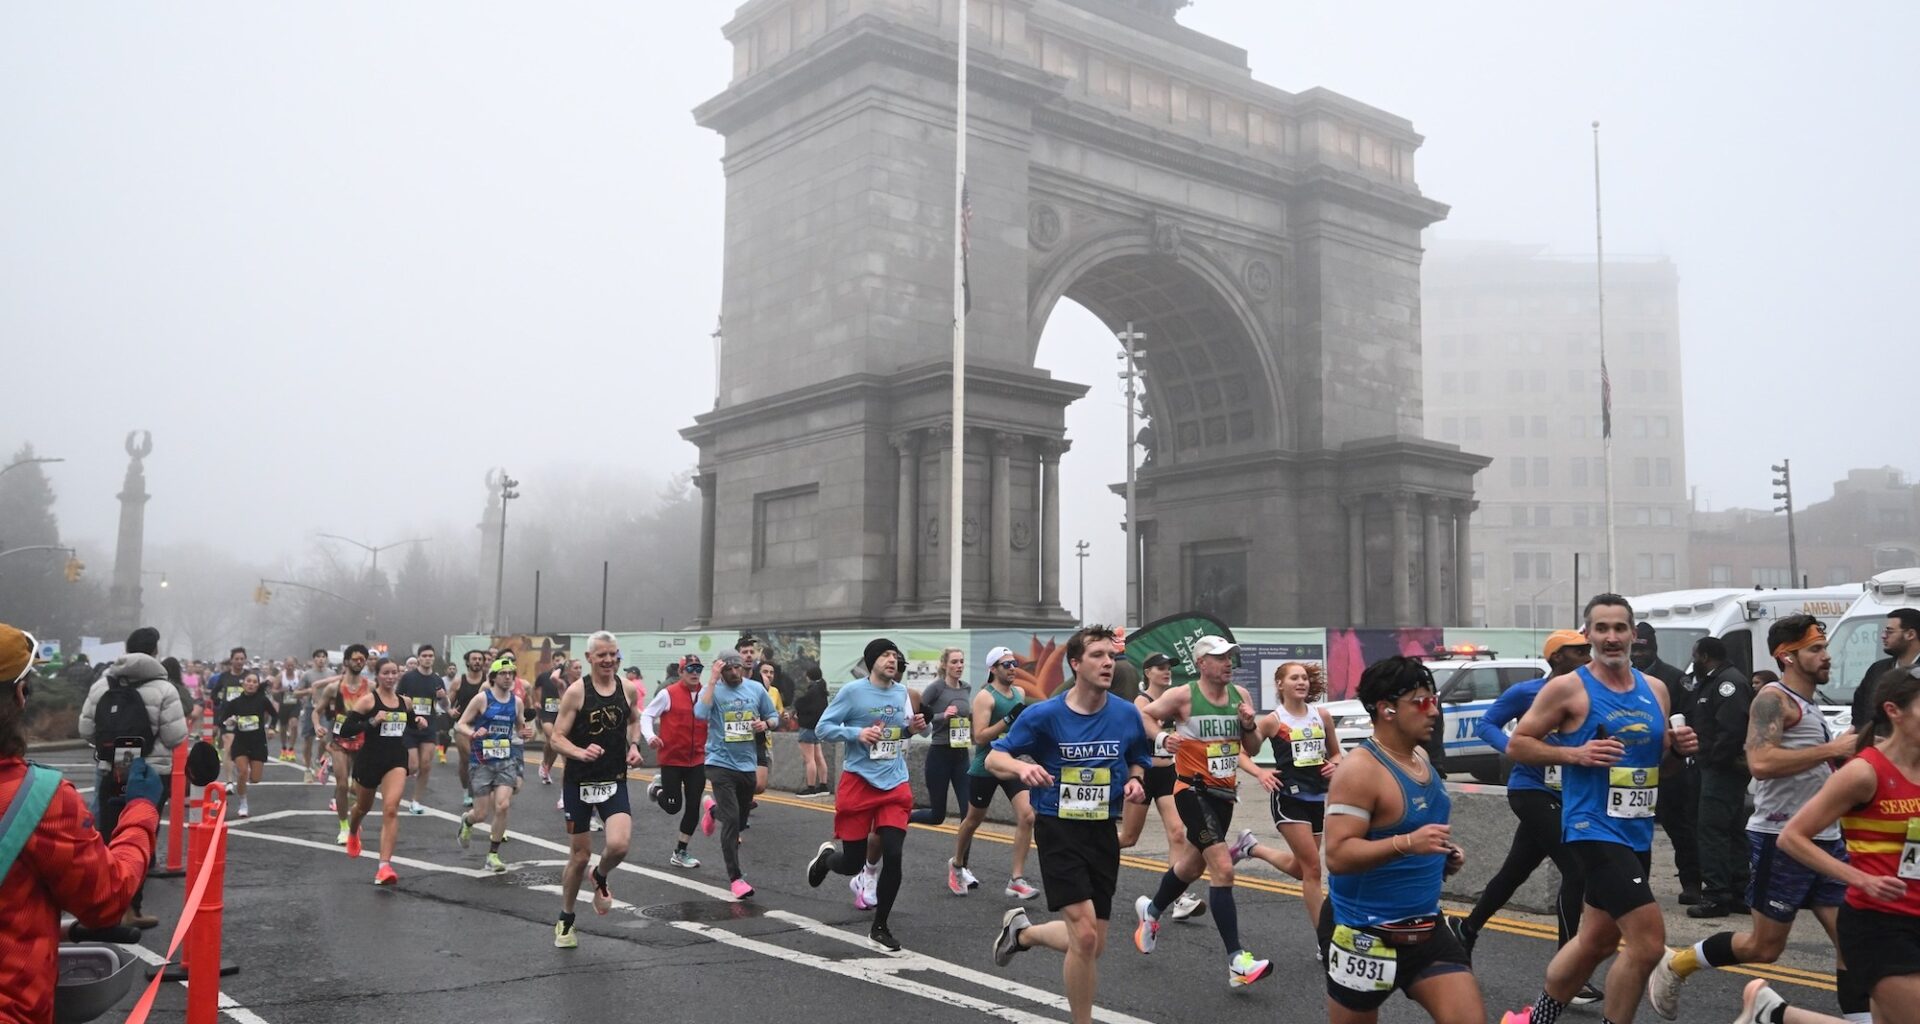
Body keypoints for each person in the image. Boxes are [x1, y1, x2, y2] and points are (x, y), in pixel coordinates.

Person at [1648, 616, 1863, 1021]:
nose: (1826, 655)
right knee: (1764, 948)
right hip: (1780, 839)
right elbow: (1760, 762)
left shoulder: (1808, 704)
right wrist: (1832, 751)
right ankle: (1677, 964)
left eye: (1823, 647)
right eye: (1815, 649)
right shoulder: (1772, 700)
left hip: (1826, 840)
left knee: (1853, 942)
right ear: (1787, 657)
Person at [1500, 594, 1700, 1024]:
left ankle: (1536, 1018)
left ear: (1633, 634)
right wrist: (1577, 754)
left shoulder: (1656, 690)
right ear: (1587, 634)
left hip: (1637, 829)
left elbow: (1659, 770)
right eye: (1602, 629)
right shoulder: (1569, 687)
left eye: (1620, 628)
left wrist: (1677, 752)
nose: (1612, 638)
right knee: (1647, 945)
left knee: (1596, 941)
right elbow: (1519, 744)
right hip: (1592, 827)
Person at [0, 622, 167, 1024]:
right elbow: (107, 898)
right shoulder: (39, 799)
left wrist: (60, 930)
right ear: (19, 696)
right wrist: (142, 810)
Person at [983, 625, 1150, 1024]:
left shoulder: (1126, 714)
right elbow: (994, 758)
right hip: (1058, 828)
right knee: (1086, 935)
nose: (1108, 662)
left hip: (1101, 830)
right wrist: (1024, 769)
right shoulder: (1045, 715)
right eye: (1097, 655)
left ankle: (1022, 933)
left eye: (1111, 656)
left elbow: (1138, 758)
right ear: (1075, 664)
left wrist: (1135, 780)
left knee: (1093, 944)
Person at [1322, 656, 1482, 1024]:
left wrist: (1443, 856)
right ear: (1387, 709)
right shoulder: (1360, 771)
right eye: (1422, 701)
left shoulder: (1421, 757)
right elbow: (1339, 855)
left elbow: (1418, 834)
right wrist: (1408, 844)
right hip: (1364, 933)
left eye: (1435, 700)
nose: (1434, 711)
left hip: (1426, 928)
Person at [1453, 630, 1593, 1002]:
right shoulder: (1527, 693)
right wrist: (1515, 750)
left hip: (1571, 794)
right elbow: (1486, 724)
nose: (1586, 656)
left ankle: (1466, 929)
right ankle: (1570, 971)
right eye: (1578, 651)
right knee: (1576, 869)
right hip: (1530, 791)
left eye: (1587, 650)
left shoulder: (1590, 694)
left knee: (1514, 873)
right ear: (1555, 658)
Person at [1776, 663, 1920, 1022]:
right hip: (1880, 925)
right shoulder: (1864, 771)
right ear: (1894, 711)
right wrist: (1861, 879)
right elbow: (1792, 837)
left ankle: (1775, 1015)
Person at [1130, 634, 1274, 987]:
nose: (1228, 663)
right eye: (1221, 657)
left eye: (1231, 657)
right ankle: (1236, 961)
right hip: (1191, 792)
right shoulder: (1183, 695)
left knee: (1192, 866)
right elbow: (1142, 717)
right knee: (1222, 868)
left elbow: (1251, 749)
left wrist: (1249, 723)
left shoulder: (1241, 697)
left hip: (1224, 795)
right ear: (1202, 663)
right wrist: (1162, 739)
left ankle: (1151, 911)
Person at [804, 637, 927, 952]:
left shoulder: (902, 693)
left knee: (894, 854)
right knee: (852, 862)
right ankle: (826, 860)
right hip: (859, 781)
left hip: (894, 782)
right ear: (872, 661)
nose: (892, 659)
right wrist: (855, 733)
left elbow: (899, 732)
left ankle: (880, 926)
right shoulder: (852, 692)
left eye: (895, 656)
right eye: (885, 655)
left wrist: (913, 728)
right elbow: (823, 729)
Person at [547, 632, 642, 948]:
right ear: (589, 658)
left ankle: (600, 876)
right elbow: (556, 737)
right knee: (579, 855)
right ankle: (566, 919)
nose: (608, 660)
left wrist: (634, 745)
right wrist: (579, 752)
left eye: (612, 654)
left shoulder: (626, 689)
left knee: (618, 845)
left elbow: (634, 720)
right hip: (579, 782)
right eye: (601, 655)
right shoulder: (576, 692)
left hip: (614, 779)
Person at [1235, 661, 1335, 940]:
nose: (1302, 682)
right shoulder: (1274, 720)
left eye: (1304, 678)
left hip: (1317, 797)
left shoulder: (1321, 715)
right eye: (1294, 678)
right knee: (1313, 869)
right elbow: (1244, 753)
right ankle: (1325, 940)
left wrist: (1335, 765)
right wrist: (1260, 772)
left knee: (1301, 869)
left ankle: (1252, 848)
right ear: (1280, 685)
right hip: (1288, 798)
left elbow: (1336, 754)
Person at [948, 645, 1040, 900]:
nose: (1012, 669)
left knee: (1028, 816)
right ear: (993, 669)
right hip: (986, 765)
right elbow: (979, 737)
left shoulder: (1019, 692)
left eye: (1014, 664)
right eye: (1006, 665)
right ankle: (956, 864)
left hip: (1011, 762)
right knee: (973, 820)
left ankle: (1017, 879)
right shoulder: (985, 697)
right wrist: (1007, 720)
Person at [1118, 651, 1203, 922]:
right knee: (1128, 839)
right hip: (1143, 773)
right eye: (1160, 668)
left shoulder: (1174, 700)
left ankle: (1179, 899)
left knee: (1178, 833)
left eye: (1169, 668)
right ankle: (1090, 851)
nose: (1166, 671)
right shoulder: (1141, 702)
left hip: (1169, 774)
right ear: (1148, 672)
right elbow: (1139, 733)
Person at [694, 650, 777, 899]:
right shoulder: (715, 690)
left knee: (739, 819)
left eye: (736, 668)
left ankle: (712, 810)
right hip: (719, 764)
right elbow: (699, 713)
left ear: (743, 667)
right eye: (727, 669)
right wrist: (711, 680)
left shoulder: (755, 689)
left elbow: (773, 717)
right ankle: (736, 879)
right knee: (731, 823)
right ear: (721, 670)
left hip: (746, 764)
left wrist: (765, 724)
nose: (733, 673)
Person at [1686, 635, 1757, 919]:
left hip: (1722, 770)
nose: (1693, 661)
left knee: (1712, 830)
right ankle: (1738, 890)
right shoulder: (1715, 681)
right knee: (1731, 830)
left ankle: (1716, 894)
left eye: (1695, 656)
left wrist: (1713, 761)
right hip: (1717, 768)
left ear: (1704, 656)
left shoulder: (1728, 683)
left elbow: (1731, 730)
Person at [1634, 620, 1700, 906]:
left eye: (1642, 649)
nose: (1637, 655)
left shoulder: (1673, 679)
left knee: (1680, 829)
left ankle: (1692, 883)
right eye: (1633, 649)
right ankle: (1635, 883)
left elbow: (1690, 718)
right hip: (1633, 769)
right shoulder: (1620, 679)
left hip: (1670, 767)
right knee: (1634, 828)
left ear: (1654, 648)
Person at [340, 657, 417, 885]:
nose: (391, 677)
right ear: (377, 676)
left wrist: (419, 722)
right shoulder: (367, 702)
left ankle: (384, 867)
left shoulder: (406, 702)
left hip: (395, 760)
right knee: (363, 807)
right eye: (386, 673)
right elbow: (346, 729)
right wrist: (372, 722)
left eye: (394, 672)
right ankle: (353, 831)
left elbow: (409, 722)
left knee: (391, 809)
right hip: (370, 761)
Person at [455, 657, 534, 873]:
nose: (508, 677)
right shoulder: (482, 699)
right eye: (503, 673)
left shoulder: (516, 702)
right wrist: (473, 733)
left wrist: (526, 732)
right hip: (481, 761)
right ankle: (468, 822)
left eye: (511, 674)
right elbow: (460, 723)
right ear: (494, 677)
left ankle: (493, 855)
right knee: (480, 814)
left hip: (505, 760)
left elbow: (520, 727)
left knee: (503, 805)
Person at [642, 653, 708, 868]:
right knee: (673, 806)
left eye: (698, 668)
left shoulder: (707, 693)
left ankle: (680, 851)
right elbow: (647, 715)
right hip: (672, 759)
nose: (695, 673)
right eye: (690, 669)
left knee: (692, 807)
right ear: (681, 672)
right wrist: (651, 736)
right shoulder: (668, 694)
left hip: (697, 759)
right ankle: (656, 790)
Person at [312, 644, 371, 845]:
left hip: (363, 741)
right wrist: (317, 725)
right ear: (346, 662)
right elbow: (316, 711)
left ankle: (354, 817)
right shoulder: (334, 687)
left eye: (362, 659)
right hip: (339, 741)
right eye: (355, 659)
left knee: (357, 788)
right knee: (342, 784)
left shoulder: (370, 687)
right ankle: (344, 826)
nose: (359, 662)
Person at [913, 648, 975, 835]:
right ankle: (903, 818)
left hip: (961, 754)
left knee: (968, 813)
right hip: (940, 754)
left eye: (961, 661)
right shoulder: (936, 688)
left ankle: (960, 862)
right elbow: (919, 714)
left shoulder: (966, 688)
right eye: (954, 662)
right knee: (937, 816)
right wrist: (942, 716)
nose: (959, 666)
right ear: (944, 665)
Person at [1849, 607, 1920, 735]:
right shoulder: (1877, 670)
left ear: (1910, 634)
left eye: (1890, 631)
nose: (1883, 636)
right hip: (1877, 749)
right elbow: (1860, 710)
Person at [217, 671, 278, 819]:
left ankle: (242, 780)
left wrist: (271, 728)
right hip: (241, 742)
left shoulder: (262, 700)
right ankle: (243, 803)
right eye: (248, 681)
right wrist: (229, 722)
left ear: (258, 685)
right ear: (243, 684)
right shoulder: (235, 703)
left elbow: (275, 715)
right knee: (243, 772)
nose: (251, 684)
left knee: (255, 778)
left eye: (254, 682)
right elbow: (222, 719)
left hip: (257, 741)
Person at [397, 643, 447, 815]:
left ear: (433, 658)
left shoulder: (437, 680)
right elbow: (398, 700)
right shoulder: (408, 678)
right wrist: (411, 715)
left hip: (429, 726)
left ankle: (416, 801)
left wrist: (443, 698)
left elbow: (445, 705)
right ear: (418, 658)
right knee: (413, 766)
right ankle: (393, 780)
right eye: (424, 656)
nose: (427, 659)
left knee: (425, 766)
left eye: (430, 656)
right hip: (410, 725)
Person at [447, 649, 488, 807]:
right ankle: (467, 790)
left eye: (480, 659)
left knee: (482, 760)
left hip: (483, 727)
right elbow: (447, 703)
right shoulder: (459, 682)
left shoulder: (488, 681)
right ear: (467, 662)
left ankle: (483, 788)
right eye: (474, 659)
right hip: (463, 726)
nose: (477, 661)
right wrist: (450, 711)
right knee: (468, 758)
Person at [535, 657, 572, 785]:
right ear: (552, 661)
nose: (558, 663)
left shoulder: (567, 679)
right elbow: (536, 689)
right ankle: (545, 762)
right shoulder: (545, 676)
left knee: (555, 745)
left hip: (560, 715)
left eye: (561, 661)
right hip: (546, 713)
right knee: (552, 738)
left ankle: (546, 768)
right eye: (556, 660)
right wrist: (537, 701)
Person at [794, 666, 830, 797]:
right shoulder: (822, 690)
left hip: (807, 727)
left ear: (808, 676)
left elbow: (801, 704)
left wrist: (798, 712)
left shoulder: (812, 691)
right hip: (818, 727)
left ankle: (810, 787)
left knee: (809, 759)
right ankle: (823, 785)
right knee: (819, 757)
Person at [295, 649, 330, 781]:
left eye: (323, 657)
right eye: (318, 657)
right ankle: (307, 769)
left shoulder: (331, 673)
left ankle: (317, 761)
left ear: (326, 659)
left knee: (324, 739)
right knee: (308, 740)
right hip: (311, 709)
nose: (321, 659)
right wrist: (309, 690)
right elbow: (296, 693)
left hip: (326, 710)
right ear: (314, 659)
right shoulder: (307, 675)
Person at [752, 660, 784, 799]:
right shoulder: (745, 687)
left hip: (763, 738)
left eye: (771, 672)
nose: (769, 675)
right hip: (739, 741)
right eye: (765, 671)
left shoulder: (774, 691)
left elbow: (777, 713)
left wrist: (768, 722)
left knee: (759, 785)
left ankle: (743, 799)